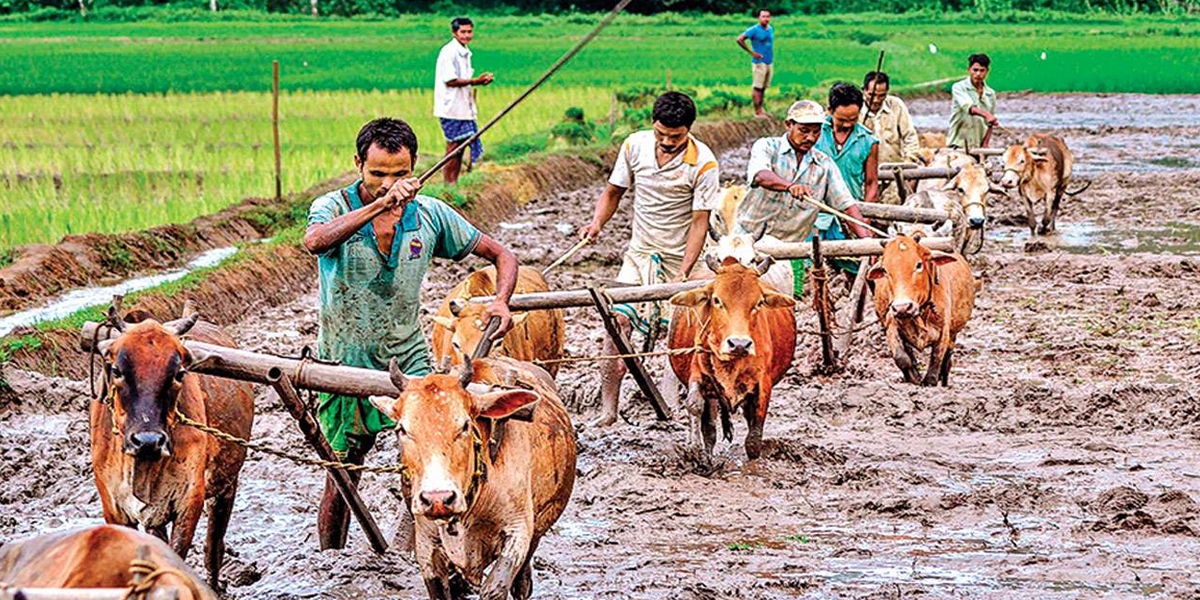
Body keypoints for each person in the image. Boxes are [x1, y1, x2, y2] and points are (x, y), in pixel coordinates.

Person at [303, 117, 518, 550]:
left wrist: (501, 301)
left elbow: (501, 254)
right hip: (342, 360)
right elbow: (316, 242)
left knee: (432, 459)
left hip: (410, 362)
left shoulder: (430, 215)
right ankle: (330, 561)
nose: (388, 183)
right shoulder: (332, 206)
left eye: (399, 174)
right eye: (377, 173)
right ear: (358, 164)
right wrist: (379, 206)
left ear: (414, 168)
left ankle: (415, 548)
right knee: (341, 473)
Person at [580, 92, 719, 427]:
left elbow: (700, 222)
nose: (667, 142)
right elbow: (613, 192)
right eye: (661, 134)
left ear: (689, 130)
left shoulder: (704, 163)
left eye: (676, 137)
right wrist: (596, 224)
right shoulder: (634, 146)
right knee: (616, 324)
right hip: (640, 255)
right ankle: (608, 411)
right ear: (653, 125)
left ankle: (685, 407)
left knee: (686, 334)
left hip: (682, 258)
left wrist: (684, 273)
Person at [734, 100, 875, 298]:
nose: (810, 137)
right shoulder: (767, 147)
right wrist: (789, 186)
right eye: (804, 130)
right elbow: (760, 175)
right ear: (788, 124)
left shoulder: (824, 165)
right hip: (749, 244)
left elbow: (846, 206)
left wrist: (868, 242)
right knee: (739, 298)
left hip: (791, 251)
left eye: (816, 132)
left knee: (788, 304)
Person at [434, 17, 494, 184]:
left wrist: (478, 81)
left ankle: (454, 182)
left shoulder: (464, 51)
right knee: (454, 147)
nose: (467, 35)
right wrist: (476, 81)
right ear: (454, 33)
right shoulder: (449, 52)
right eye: (463, 32)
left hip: (463, 108)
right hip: (452, 108)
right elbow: (450, 80)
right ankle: (448, 183)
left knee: (461, 146)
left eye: (469, 32)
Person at [860, 70, 921, 203]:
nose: (876, 100)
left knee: (893, 205)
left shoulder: (896, 105)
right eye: (872, 95)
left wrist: (908, 162)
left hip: (894, 173)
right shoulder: (855, 109)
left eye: (881, 96)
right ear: (863, 90)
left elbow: (910, 137)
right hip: (863, 176)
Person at [948, 53, 998, 149]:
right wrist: (986, 114)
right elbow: (968, 107)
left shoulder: (990, 94)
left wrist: (985, 144)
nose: (978, 74)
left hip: (978, 146)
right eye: (975, 70)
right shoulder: (959, 87)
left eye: (982, 70)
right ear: (969, 70)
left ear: (987, 71)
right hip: (958, 144)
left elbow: (990, 123)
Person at [736, 9, 774, 119]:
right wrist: (752, 53)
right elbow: (740, 39)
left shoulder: (770, 29)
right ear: (759, 18)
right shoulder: (754, 29)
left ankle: (761, 110)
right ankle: (757, 112)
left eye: (768, 16)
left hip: (769, 61)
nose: (766, 19)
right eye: (763, 16)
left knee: (764, 87)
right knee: (757, 87)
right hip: (759, 62)